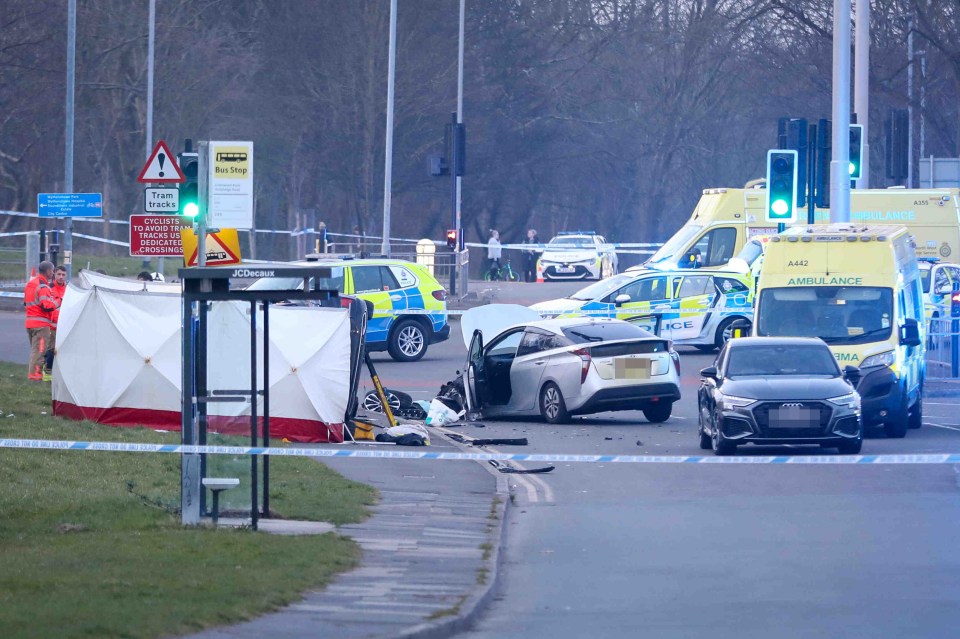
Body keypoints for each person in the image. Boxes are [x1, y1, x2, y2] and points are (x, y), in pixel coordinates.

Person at [24, 261, 58, 381]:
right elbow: (46, 306)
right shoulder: (43, 286)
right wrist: (57, 302)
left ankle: (34, 373)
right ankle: (35, 375)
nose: (53, 273)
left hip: (30, 323)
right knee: (40, 351)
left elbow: (26, 303)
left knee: (35, 350)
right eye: (53, 270)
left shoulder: (30, 284)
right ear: (49, 271)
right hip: (41, 325)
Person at [43, 265, 68, 381]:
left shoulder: (68, 290)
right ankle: (47, 371)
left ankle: (55, 371)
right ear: (54, 275)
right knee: (52, 348)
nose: (61, 277)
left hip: (64, 325)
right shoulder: (49, 288)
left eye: (63, 275)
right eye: (59, 274)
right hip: (51, 324)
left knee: (62, 350)